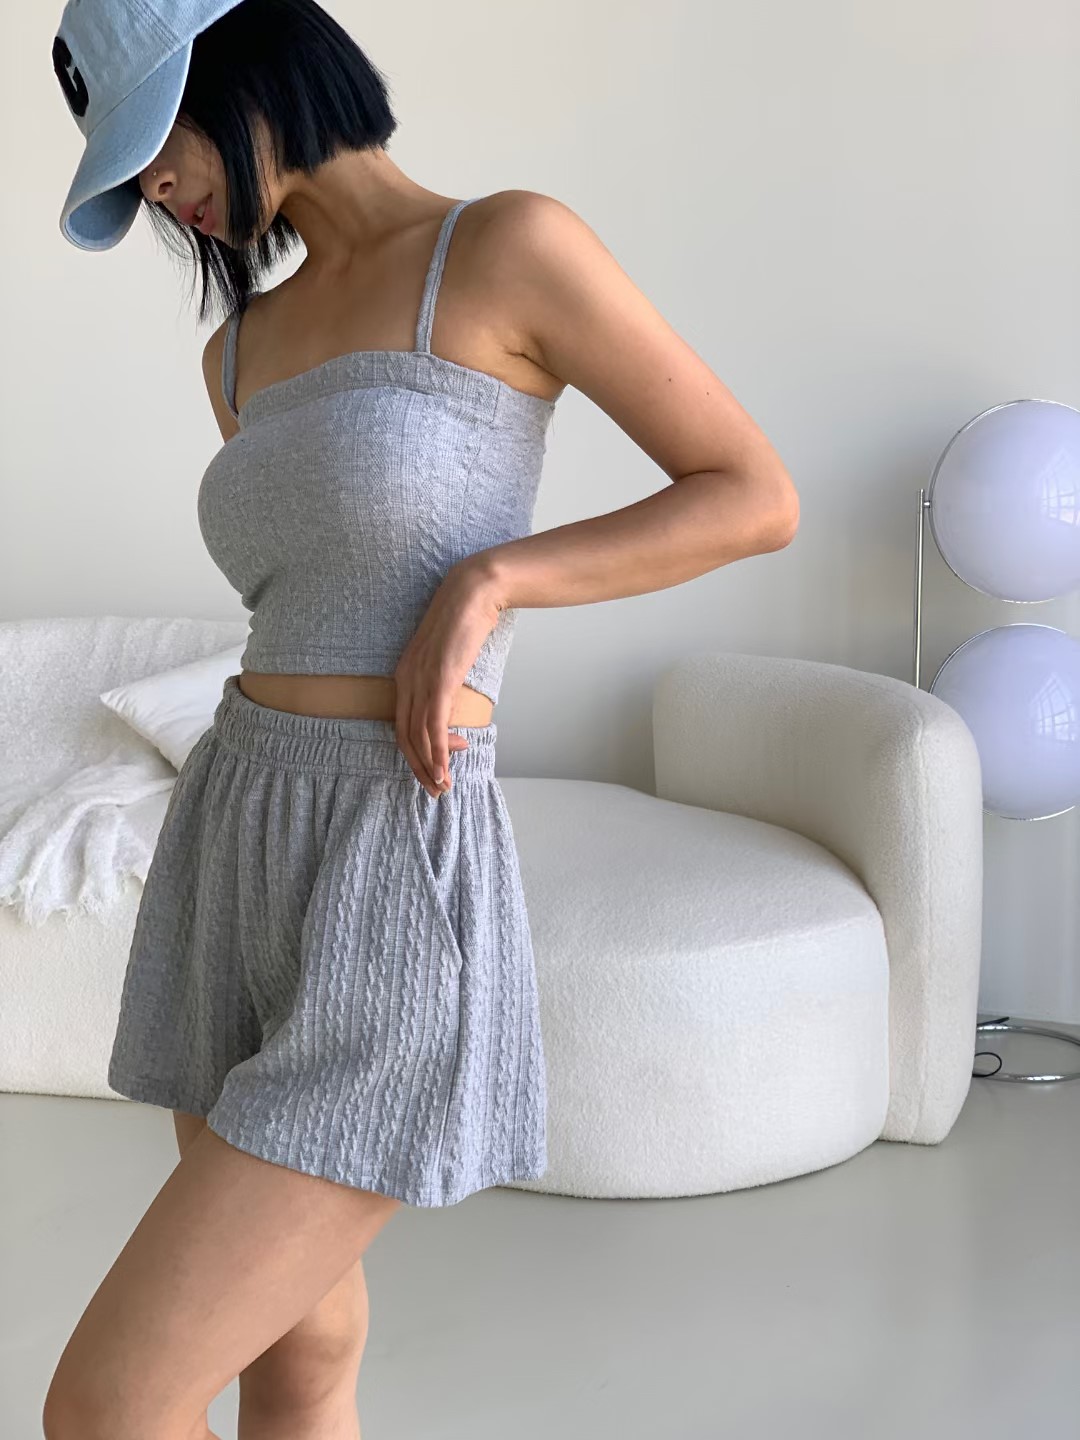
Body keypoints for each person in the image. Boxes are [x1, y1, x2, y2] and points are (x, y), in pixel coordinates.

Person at [43, 1, 800, 1436]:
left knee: (109, 1407)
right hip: (236, 842)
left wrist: (493, 579)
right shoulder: (239, 351)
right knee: (301, 1358)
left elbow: (750, 494)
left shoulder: (506, 247)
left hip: (394, 845)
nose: (154, 188)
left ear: (247, 65)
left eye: (155, 140)